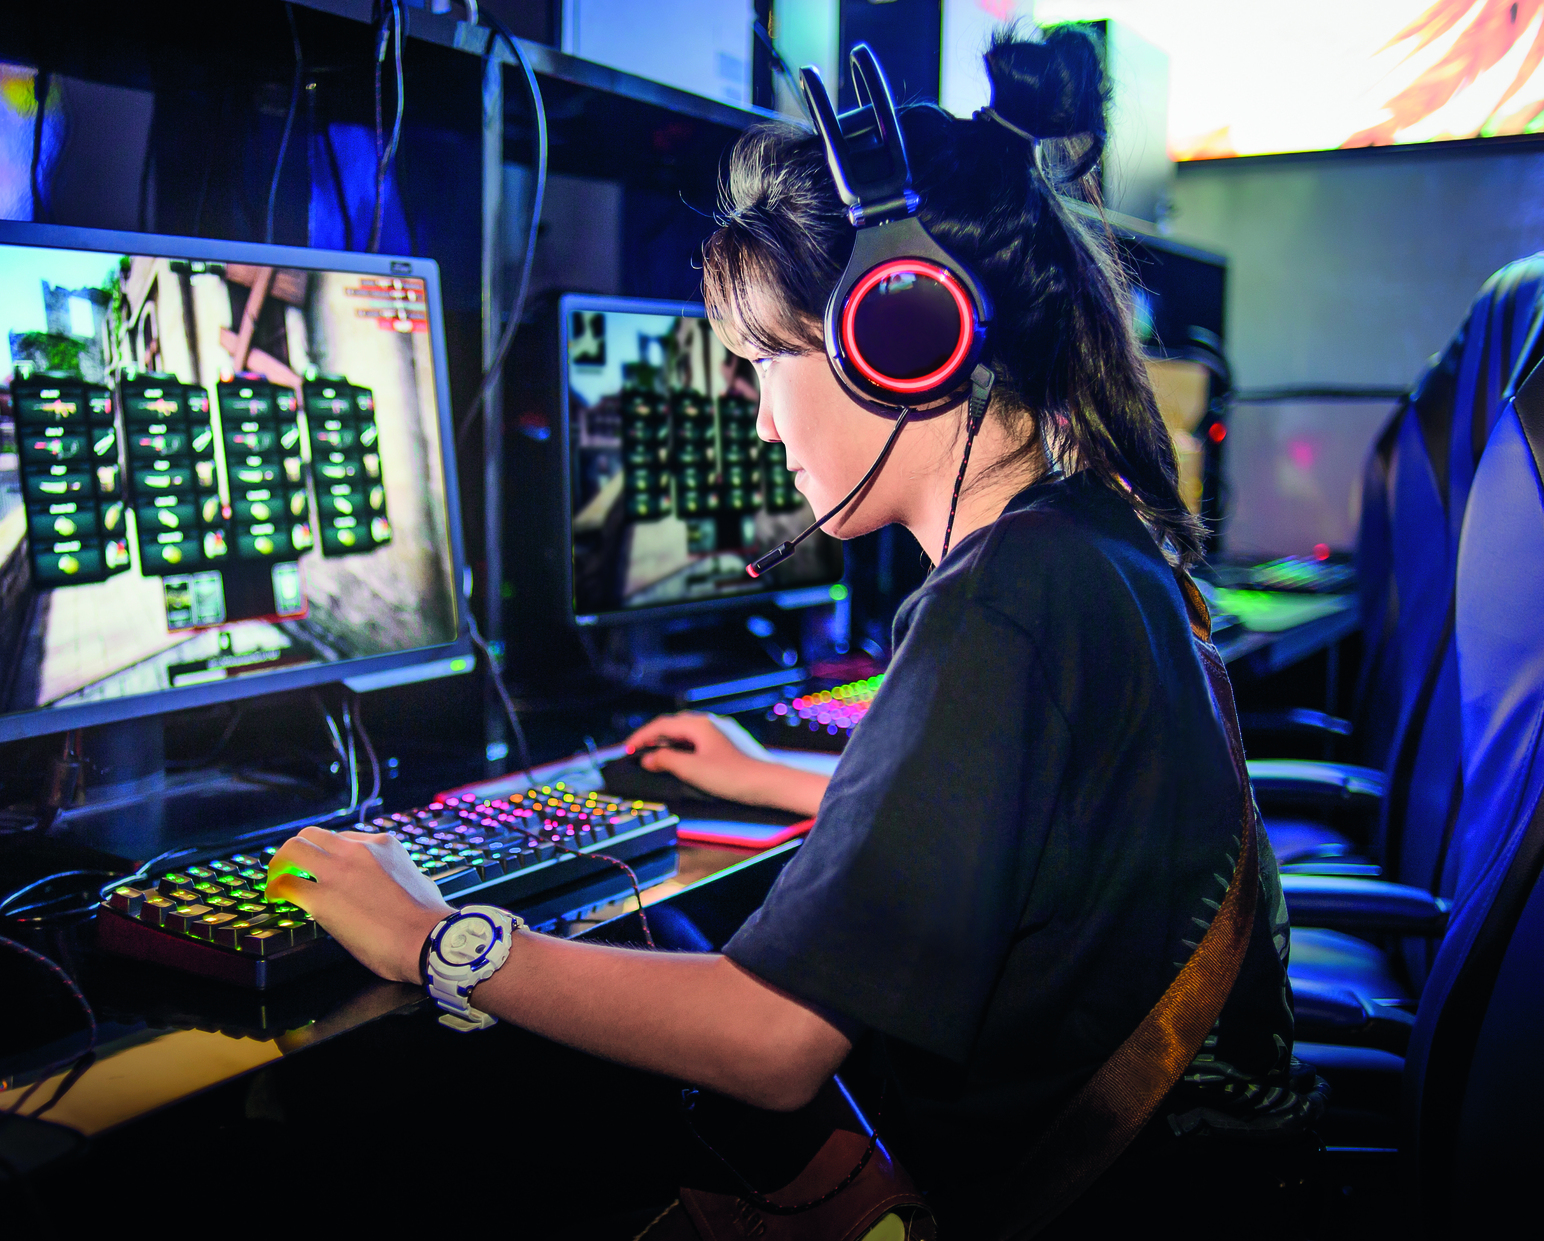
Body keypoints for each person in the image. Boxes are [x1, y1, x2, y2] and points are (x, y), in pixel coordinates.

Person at [266, 26, 1317, 1234]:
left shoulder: (1003, 603)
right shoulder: (1084, 541)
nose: (762, 422)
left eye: (765, 361)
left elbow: (769, 1039)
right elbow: (1037, 830)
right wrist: (791, 779)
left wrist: (433, 937)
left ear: (898, 338)